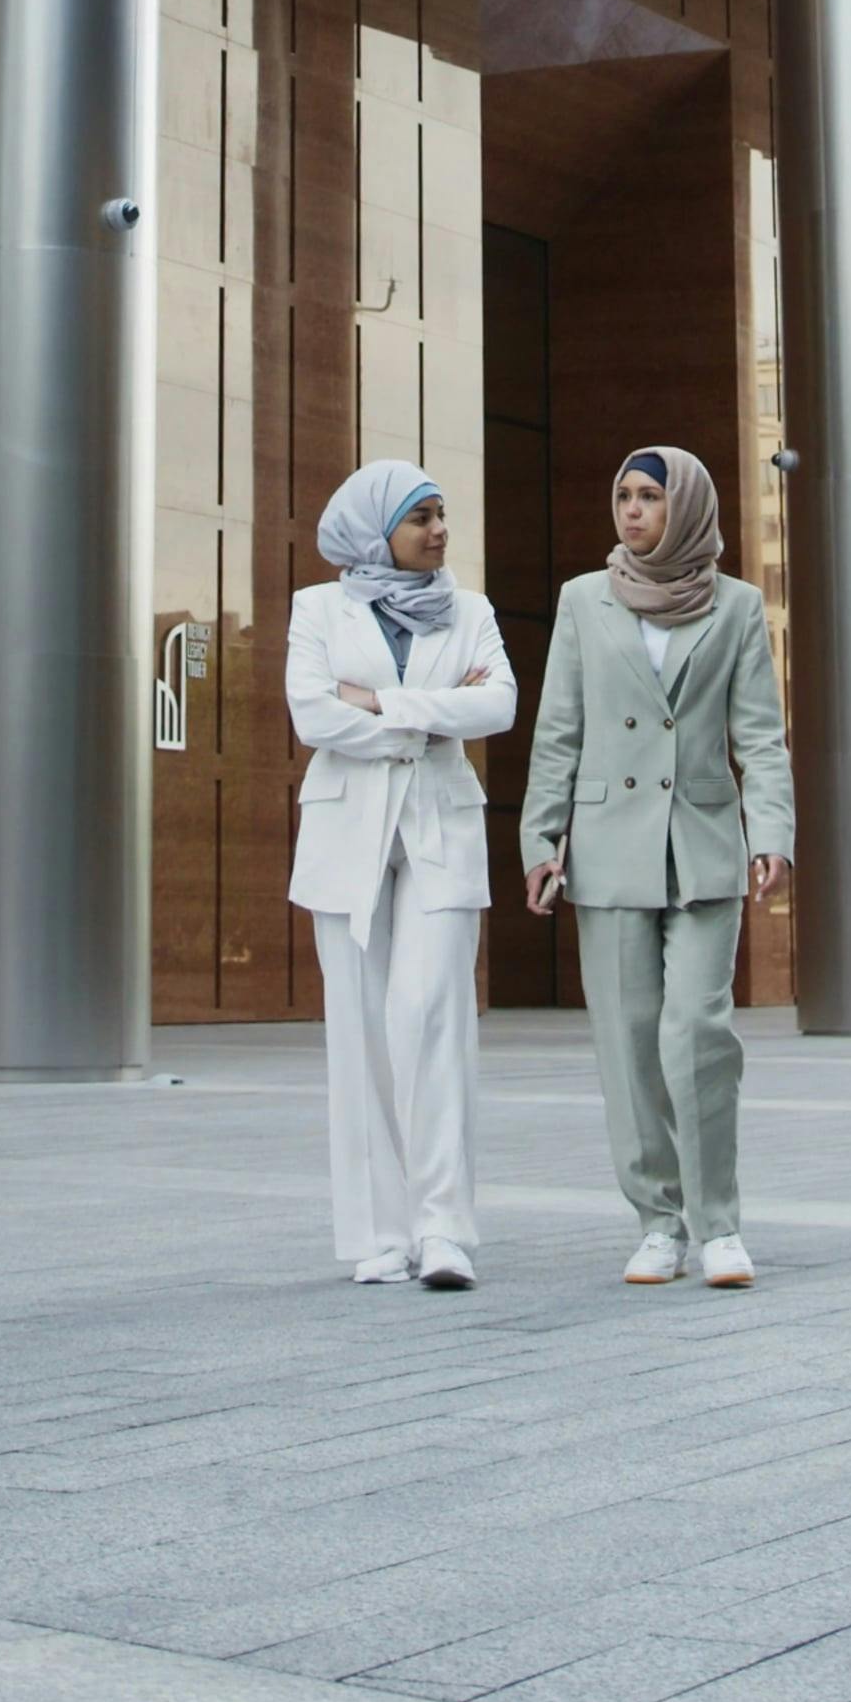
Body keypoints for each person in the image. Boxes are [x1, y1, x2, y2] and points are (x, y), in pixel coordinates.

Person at [519, 445, 794, 1288]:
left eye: (649, 496)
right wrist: (540, 840)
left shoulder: (736, 605)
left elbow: (759, 736)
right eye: (623, 495)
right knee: (628, 1043)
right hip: (607, 848)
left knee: (697, 1035)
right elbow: (558, 729)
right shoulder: (582, 599)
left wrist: (771, 833)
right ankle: (658, 1224)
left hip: (703, 847)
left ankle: (718, 1228)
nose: (632, 510)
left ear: (688, 507)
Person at [287, 460, 515, 1290]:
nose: (439, 530)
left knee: (431, 1018)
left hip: (439, 830)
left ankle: (444, 1229)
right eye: (420, 517)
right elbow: (311, 713)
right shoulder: (317, 608)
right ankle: (382, 1236)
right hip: (345, 834)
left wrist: (379, 704)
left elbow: (497, 706)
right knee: (359, 1031)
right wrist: (430, 717)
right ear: (374, 529)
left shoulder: (471, 610)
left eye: (442, 514)